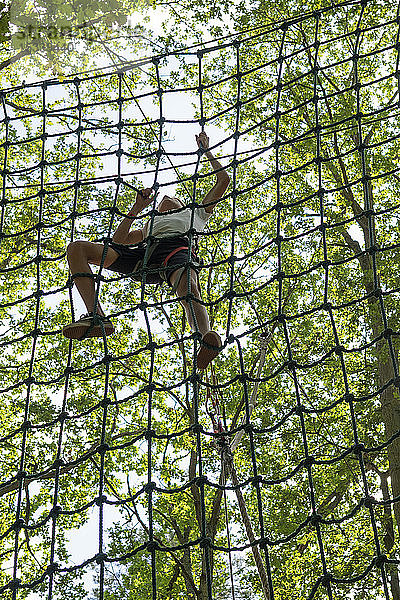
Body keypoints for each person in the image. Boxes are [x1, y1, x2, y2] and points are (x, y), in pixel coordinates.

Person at [62, 131, 230, 369]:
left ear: (182, 204)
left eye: (172, 199)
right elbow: (118, 241)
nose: (166, 200)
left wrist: (206, 152)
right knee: (77, 249)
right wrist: (136, 208)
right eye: (161, 202)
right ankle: (96, 316)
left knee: (189, 288)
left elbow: (223, 180)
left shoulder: (196, 214)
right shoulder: (148, 225)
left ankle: (206, 339)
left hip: (177, 248)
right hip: (144, 255)